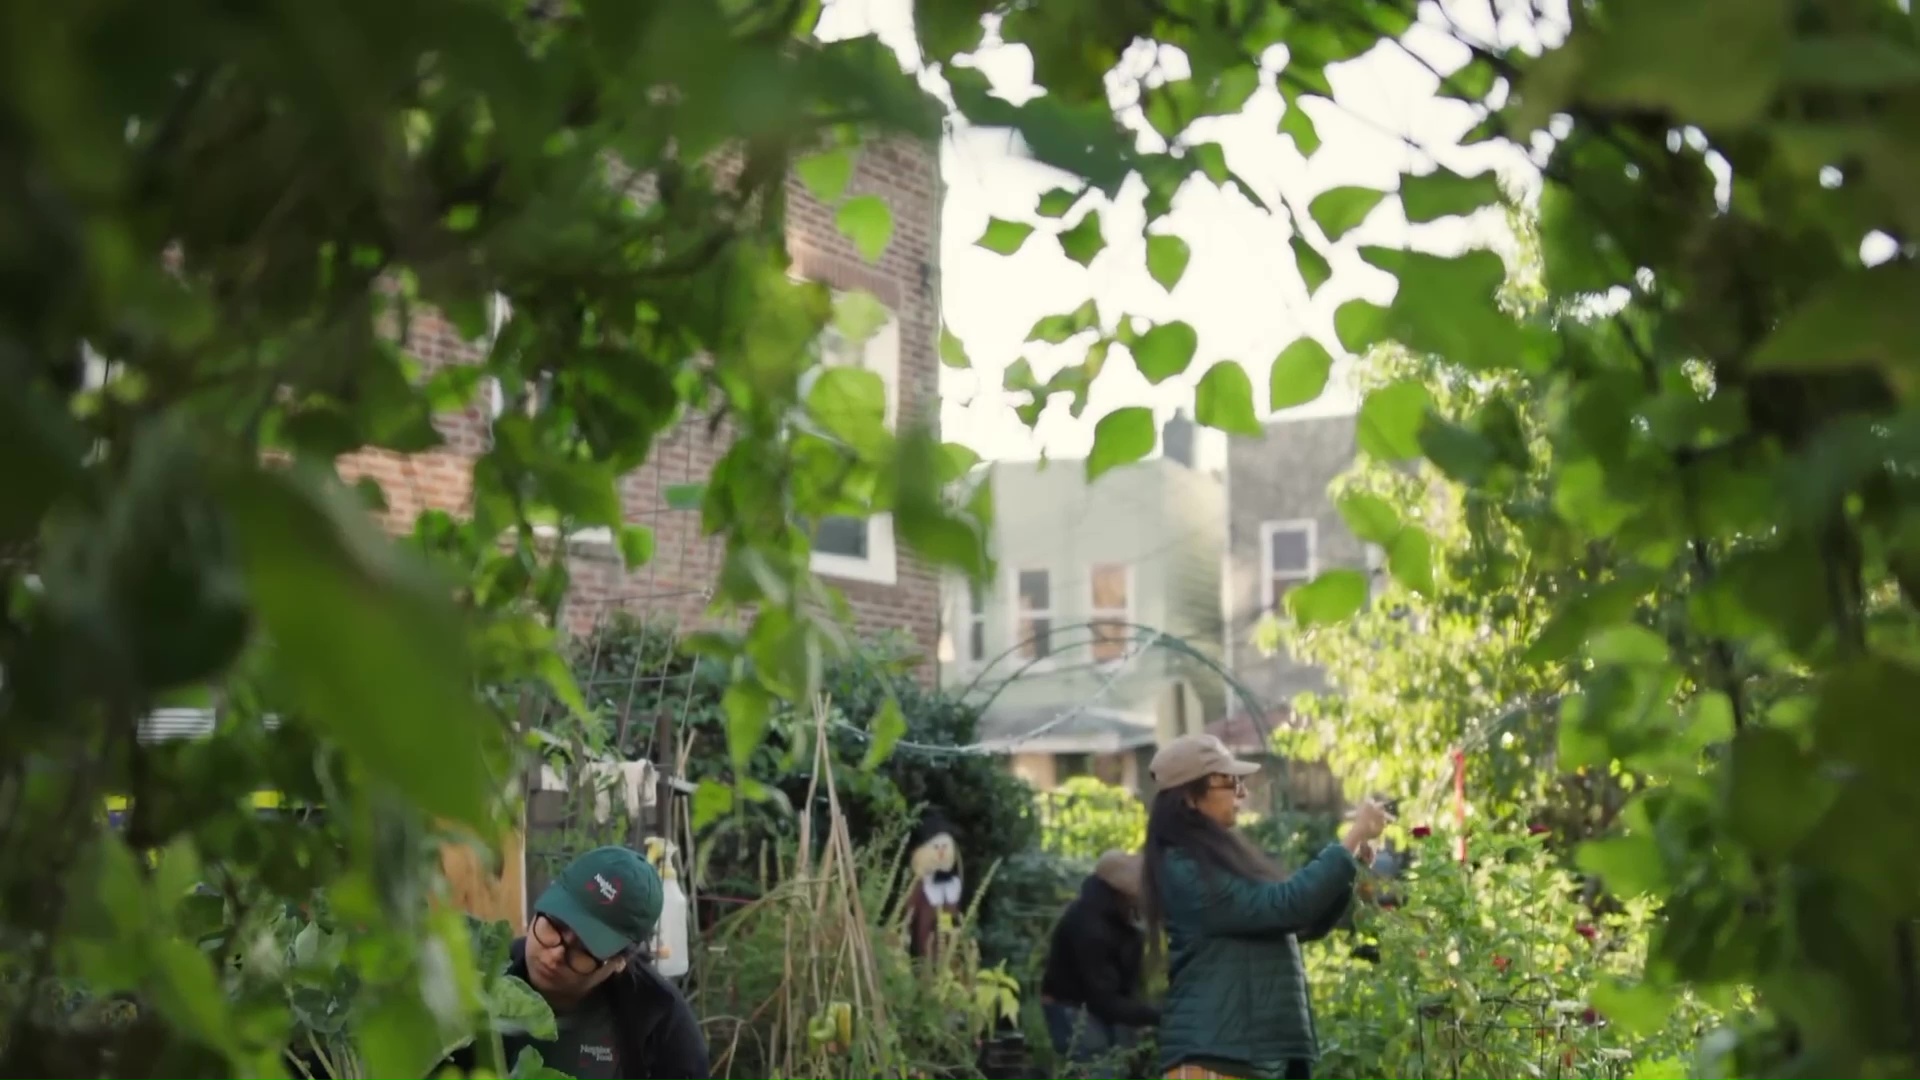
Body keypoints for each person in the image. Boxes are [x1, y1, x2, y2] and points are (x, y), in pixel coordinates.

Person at [1141, 735, 1390, 1080]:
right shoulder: (1186, 868)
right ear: (1189, 796)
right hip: (1214, 1058)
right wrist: (1350, 838)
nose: (1242, 792)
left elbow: (1302, 923)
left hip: (1241, 1055)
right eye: (1229, 781)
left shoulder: (1212, 857)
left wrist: (1351, 861)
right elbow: (1287, 906)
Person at [453, 846, 709, 1080]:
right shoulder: (480, 975)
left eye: (584, 949)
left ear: (620, 961)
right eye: (555, 925)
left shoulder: (661, 1020)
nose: (554, 956)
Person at [1039, 850, 1158, 1077]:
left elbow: (1124, 987)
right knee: (1100, 1069)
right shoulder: (1088, 925)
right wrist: (1157, 1015)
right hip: (1072, 1006)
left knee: (1125, 1063)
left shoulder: (1125, 924)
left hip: (1106, 1005)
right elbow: (1103, 997)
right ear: (1119, 894)